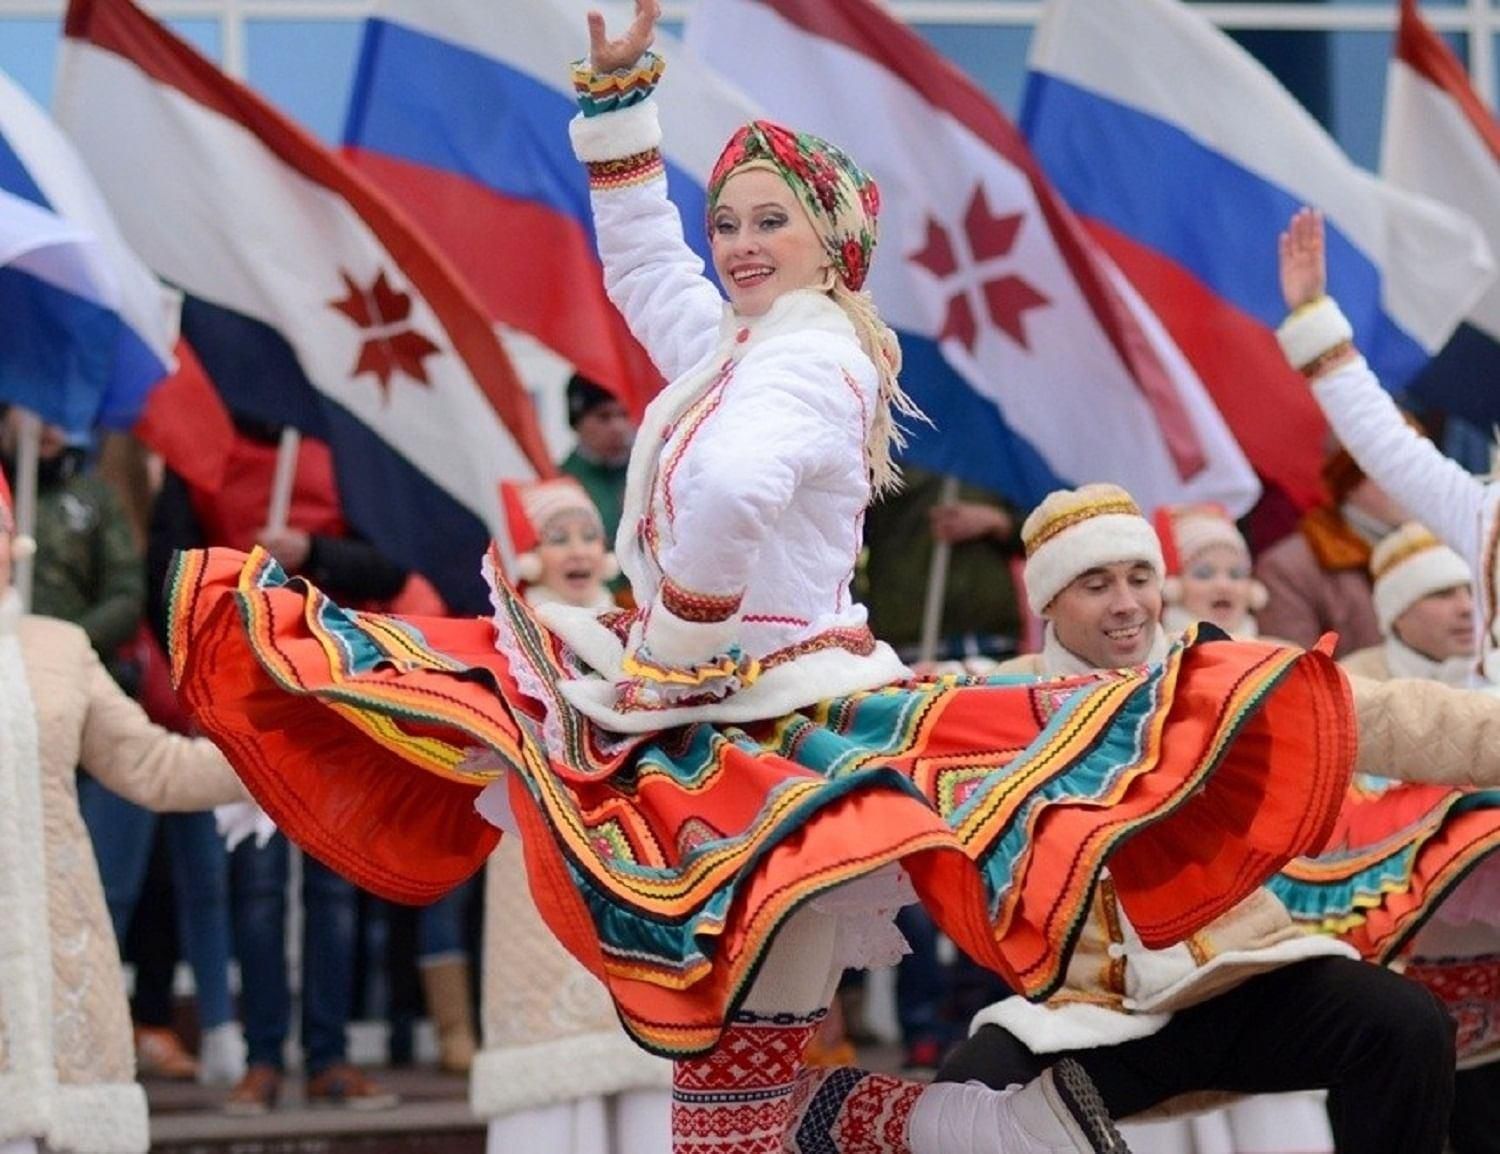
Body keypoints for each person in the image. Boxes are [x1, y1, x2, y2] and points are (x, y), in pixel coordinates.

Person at [167, 7, 1448, 1153]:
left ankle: (998, 1124)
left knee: (727, 1098)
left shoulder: (812, 352)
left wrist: (676, 643)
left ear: (835, 239)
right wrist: (622, 120)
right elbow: (650, 279)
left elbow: (728, 497)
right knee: (741, 1094)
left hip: (759, 722)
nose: (735, 242)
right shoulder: (746, 339)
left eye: (768, 219)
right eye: (727, 219)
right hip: (739, 718)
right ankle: (997, 1123)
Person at [936, 485, 1474, 1154]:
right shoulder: (999, 704)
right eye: (1096, 584)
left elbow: (1406, 721)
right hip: (1089, 1017)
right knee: (963, 1102)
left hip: (1243, 987)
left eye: (1140, 578)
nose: (1127, 603)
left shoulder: (1219, 677)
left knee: (1405, 1023)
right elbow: (878, 742)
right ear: (1047, 601)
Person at [146, 416, 409, 1114]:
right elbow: (164, 574)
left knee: (334, 887)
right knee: (256, 887)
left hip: (340, 695)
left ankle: (329, 1057)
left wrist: (314, 551)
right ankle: (263, 1058)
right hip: (250, 694)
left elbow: (393, 561)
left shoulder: (340, 433)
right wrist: (236, 581)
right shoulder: (201, 441)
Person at [0, 469, 249, 1154]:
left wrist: (269, 762)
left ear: (14, 541)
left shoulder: (57, 646)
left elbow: (150, 765)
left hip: (58, 936)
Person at [1283, 524, 1500, 1154]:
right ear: (1397, 611)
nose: (1464, 607)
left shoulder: (1494, 670)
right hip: (1402, 964)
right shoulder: (1354, 686)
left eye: (1468, 589)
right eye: (1439, 594)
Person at [473, 477, 669, 1152]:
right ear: (531, 557)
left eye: (589, 534)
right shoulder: (502, 643)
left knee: (646, 1054)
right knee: (549, 1071)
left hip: (631, 858)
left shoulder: (642, 637)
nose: (578, 550)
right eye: (558, 539)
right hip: (538, 855)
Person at [1154, 504, 1268, 638]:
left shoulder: (1282, 653)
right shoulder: (1159, 656)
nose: (1224, 586)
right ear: (1175, 587)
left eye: (1236, 575)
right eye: (1204, 575)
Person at [559, 372, 635, 553]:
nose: (618, 427)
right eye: (604, 417)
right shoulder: (561, 483)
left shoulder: (653, 475)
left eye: (624, 415)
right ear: (578, 423)